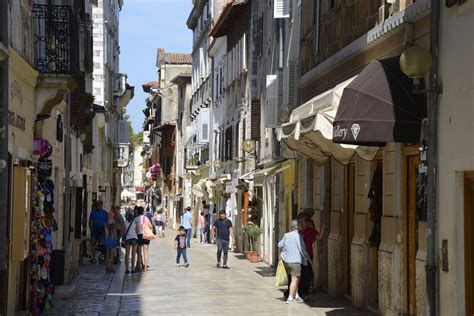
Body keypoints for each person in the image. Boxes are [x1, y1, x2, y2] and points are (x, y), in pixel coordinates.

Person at [278, 218, 310, 304]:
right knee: (295, 279)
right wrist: (307, 257)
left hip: (286, 261)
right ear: (298, 226)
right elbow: (302, 249)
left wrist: (285, 249)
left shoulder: (286, 235)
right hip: (295, 261)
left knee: (295, 279)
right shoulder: (299, 236)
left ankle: (297, 296)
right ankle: (290, 297)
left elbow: (279, 244)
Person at [299, 211, 324, 298]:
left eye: (307, 221)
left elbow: (318, 237)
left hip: (307, 256)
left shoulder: (309, 231)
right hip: (304, 256)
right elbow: (318, 237)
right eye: (306, 221)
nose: (307, 223)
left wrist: (323, 227)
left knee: (306, 274)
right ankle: (304, 291)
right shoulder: (301, 231)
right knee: (306, 274)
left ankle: (305, 291)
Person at [135, 206, 153, 272]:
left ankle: (139, 266)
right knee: (146, 252)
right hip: (146, 235)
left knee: (139, 252)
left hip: (139, 235)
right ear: (143, 211)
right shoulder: (146, 218)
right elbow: (150, 226)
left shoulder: (136, 219)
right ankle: (145, 267)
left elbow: (135, 229)